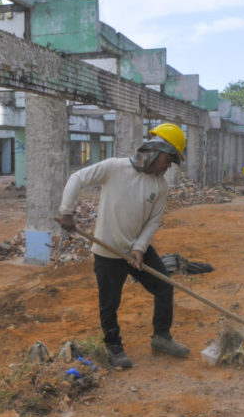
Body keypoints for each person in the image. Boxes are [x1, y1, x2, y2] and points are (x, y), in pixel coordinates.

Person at [58, 123, 190, 368]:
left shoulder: (160, 186)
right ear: (156, 151)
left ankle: (161, 337)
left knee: (164, 287)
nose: (168, 166)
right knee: (110, 303)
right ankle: (114, 347)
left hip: (136, 251)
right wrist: (66, 211)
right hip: (108, 252)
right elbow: (78, 177)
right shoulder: (114, 168)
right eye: (169, 160)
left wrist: (139, 249)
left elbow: (152, 222)